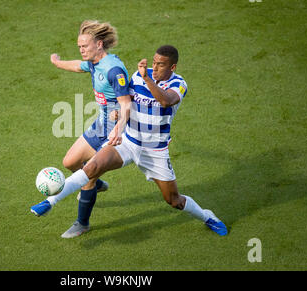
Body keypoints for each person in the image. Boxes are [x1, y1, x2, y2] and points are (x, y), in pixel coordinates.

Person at [31, 45, 227, 238]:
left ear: (172, 67)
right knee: (92, 167)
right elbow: (127, 104)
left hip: (155, 152)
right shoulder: (138, 76)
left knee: (174, 200)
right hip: (128, 141)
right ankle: (49, 203)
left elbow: (166, 100)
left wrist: (147, 78)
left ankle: (207, 217)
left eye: (161, 65)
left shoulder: (178, 83)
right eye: (154, 63)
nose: (155, 67)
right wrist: (118, 118)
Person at [32, 20, 132, 217]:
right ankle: (97, 183)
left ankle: (82, 222)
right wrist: (57, 62)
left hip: (119, 130)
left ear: (99, 44)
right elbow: (79, 66)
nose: (81, 50)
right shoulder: (95, 63)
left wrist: (118, 127)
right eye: (79, 46)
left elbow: (127, 104)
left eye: (84, 46)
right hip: (102, 124)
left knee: (88, 178)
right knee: (69, 162)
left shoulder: (113, 70)